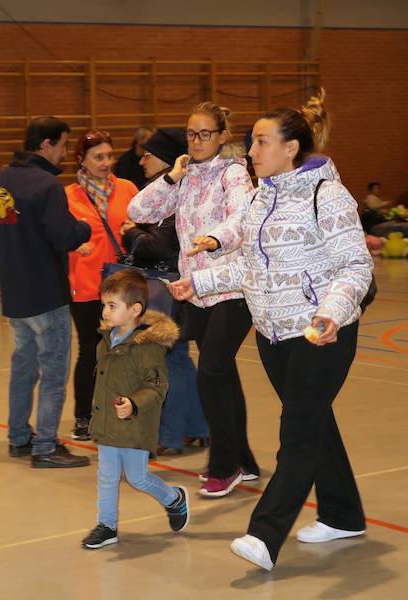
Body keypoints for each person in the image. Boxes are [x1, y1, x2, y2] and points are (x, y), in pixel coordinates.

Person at [170, 90, 373, 571]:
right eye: (251, 142)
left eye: (261, 142)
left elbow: (355, 265)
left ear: (291, 148)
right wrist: (198, 281)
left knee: (298, 432)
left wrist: (332, 312)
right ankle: (344, 514)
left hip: (320, 330)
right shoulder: (262, 198)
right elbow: (249, 269)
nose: (252, 151)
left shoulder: (329, 195)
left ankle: (265, 533)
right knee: (314, 419)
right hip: (272, 333)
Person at [128, 103, 260, 498]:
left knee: (212, 373)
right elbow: (138, 209)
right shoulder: (184, 177)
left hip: (232, 288)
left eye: (205, 134)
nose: (197, 141)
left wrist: (217, 238)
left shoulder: (234, 174)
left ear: (222, 136)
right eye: (191, 133)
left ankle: (225, 465)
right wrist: (171, 176)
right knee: (223, 375)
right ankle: (245, 459)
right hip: (196, 291)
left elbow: (242, 217)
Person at [0, 116, 92, 468]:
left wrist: (16, 244)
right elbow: (63, 235)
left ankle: (18, 437)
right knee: (53, 371)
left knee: (24, 366)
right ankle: (45, 446)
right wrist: (83, 229)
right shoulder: (46, 187)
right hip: (45, 293)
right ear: (46, 145)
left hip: (15, 294)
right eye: (63, 145)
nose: (65, 153)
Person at [81, 269, 189, 549]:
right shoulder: (105, 341)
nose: (104, 311)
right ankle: (107, 525)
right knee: (106, 476)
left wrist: (133, 404)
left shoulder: (147, 347)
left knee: (137, 478)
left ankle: (174, 498)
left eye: (112, 306)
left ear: (135, 310)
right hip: (108, 424)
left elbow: (157, 386)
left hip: (135, 424)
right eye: (104, 304)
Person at [121, 128, 209, 455]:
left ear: (166, 159)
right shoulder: (166, 189)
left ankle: (171, 435)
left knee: (167, 363)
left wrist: (131, 235)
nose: (141, 159)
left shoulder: (176, 191)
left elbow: (160, 244)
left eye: (148, 154)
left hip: (171, 287)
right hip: (175, 287)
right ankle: (199, 427)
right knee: (178, 361)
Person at [65, 130, 139, 441]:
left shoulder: (127, 188)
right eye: (98, 157)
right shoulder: (68, 196)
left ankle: (121, 411)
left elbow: (142, 225)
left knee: (124, 352)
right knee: (90, 352)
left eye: (109, 156)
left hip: (122, 285)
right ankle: (84, 416)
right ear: (81, 160)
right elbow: (59, 235)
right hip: (85, 285)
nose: (106, 162)